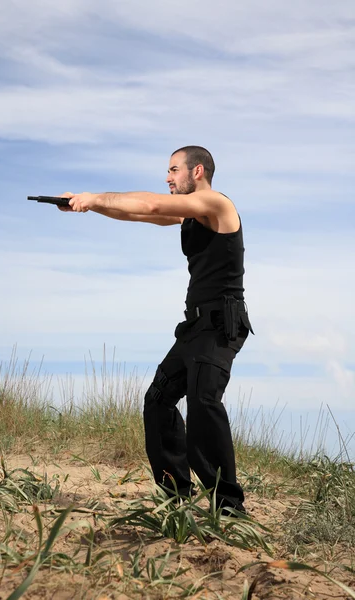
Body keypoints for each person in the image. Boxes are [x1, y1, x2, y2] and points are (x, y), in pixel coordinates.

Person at [59, 145, 254, 513]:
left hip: (219, 325)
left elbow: (150, 204)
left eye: (173, 169)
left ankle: (228, 506)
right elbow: (138, 213)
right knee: (158, 400)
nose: (167, 177)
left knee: (203, 404)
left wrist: (94, 196)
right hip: (195, 327)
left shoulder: (216, 204)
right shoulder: (190, 216)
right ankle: (177, 493)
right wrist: (88, 205)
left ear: (197, 171)